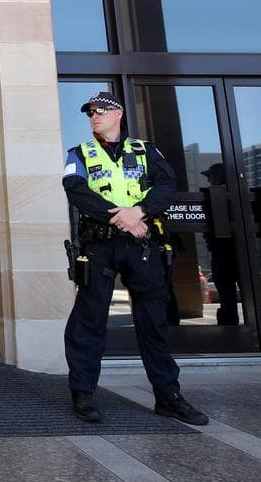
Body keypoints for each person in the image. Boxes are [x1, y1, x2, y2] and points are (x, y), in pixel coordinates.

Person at [62, 92, 207, 426]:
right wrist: (122, 218)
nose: (94, 116)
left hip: (143, 246)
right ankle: (83, 394)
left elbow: (166, 186)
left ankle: (168, 397)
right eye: (89, 112)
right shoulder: (79, 153)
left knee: (153, 322)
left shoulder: (146, 150)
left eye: (100, 111)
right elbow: (75, 189)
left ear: (119, 114)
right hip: (100, 246)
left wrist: (140, 212)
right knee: (88, 321)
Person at [200, 163, 240, 326]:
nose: (209, 181)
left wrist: (210, 243)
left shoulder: (215, 197)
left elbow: (208, 224)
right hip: (238, 248)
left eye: (210, 177)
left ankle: (229, 320)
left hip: (223, 248)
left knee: (225, 286)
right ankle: (232, 319)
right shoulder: (239, 194)